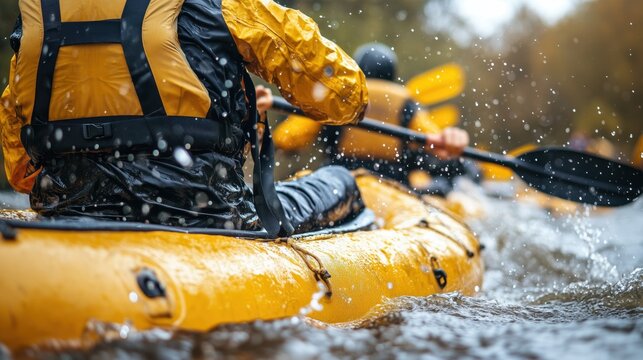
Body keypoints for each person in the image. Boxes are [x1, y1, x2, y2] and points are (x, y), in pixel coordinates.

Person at [0, 0, 369, 236]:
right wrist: (234, 108)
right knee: (342, 181)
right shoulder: (218, 5)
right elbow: (344, 98)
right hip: (206, 217)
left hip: (71, 211)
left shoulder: (38, 20)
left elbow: (20, 173)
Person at [272, 42, 476, 196]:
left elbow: (289, 138)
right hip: (394, 184)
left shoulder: (339, 96)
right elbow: (435, 141)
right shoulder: (406, 102)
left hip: (339, 179)